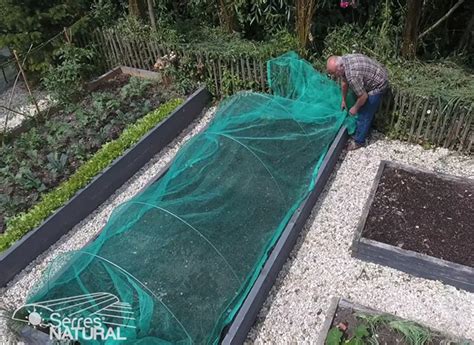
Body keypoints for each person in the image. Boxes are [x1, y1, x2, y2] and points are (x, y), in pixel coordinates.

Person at [326, 54, 389, 150]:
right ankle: (366, 129)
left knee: (364, 113)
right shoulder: (344, 61)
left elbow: (363, 96)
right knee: (361, 105)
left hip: (379, 83)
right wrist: (343, 100)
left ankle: (359, 141)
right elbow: (344, 82)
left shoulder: (352, 76)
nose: (334, 76)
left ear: (340, 68)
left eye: (334, 73)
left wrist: (355, 108)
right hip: (372, 75)